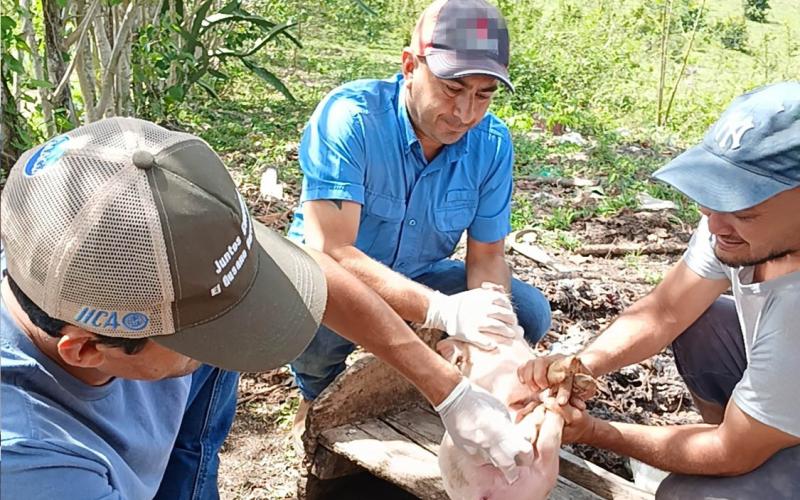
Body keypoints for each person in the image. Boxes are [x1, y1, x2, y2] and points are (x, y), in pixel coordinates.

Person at [0, 117, 535, 499]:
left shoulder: (143, 228)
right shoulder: (32, 460)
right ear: (88, 348)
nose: (233, 347)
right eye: (208, 337)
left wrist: (449, 390)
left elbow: (310, 268)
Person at [518, 81, 800, 499]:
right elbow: (665, 312)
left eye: (743, 209)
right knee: (701, 322)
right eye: (711, 198)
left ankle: (766, 447)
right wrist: (581, 366)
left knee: (687, 495)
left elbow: (730, 450)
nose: (714, 223)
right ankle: (766, 428)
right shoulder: (733, 228)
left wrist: (594, 431)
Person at [287, 0, 552, 435]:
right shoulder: (351, 119)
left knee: (526, 312)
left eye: (483, 94)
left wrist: (495, 328)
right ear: (410, 65)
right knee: (314, 315)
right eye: (452, 88)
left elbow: (486, 257)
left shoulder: (491, 144)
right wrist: (443, 311)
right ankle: (317, 394)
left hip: (420, 274)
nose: (465, 113)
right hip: (335, 278)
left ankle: (426, 380)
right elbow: (331, 250)